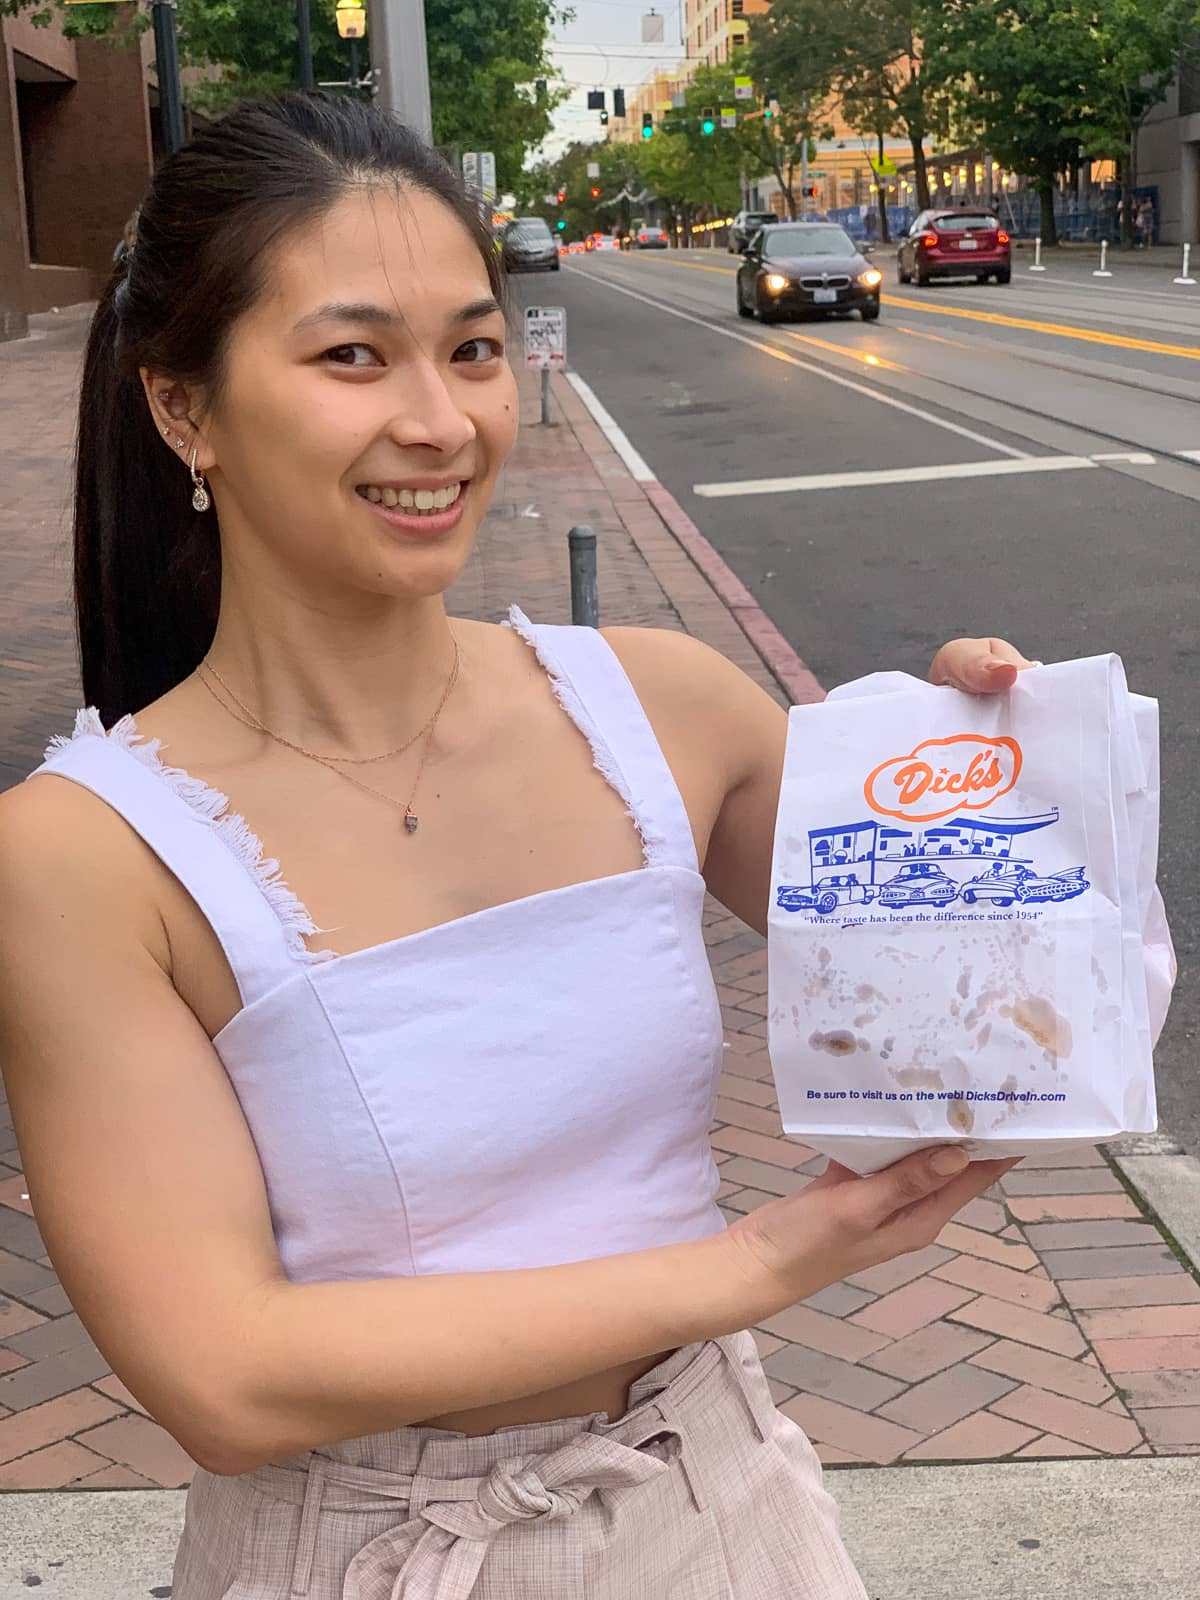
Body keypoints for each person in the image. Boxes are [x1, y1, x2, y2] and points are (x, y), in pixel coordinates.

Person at [0, 94, 1033, 1599]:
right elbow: (224, 1378)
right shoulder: (81, 859)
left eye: (474, 348)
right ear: (184, 407)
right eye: (353, 354)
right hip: (364, 1552)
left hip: (723, 1515)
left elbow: (987, 1009)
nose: (442, 421)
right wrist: (754, 1269)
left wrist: (999, 781)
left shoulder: (666, 709)